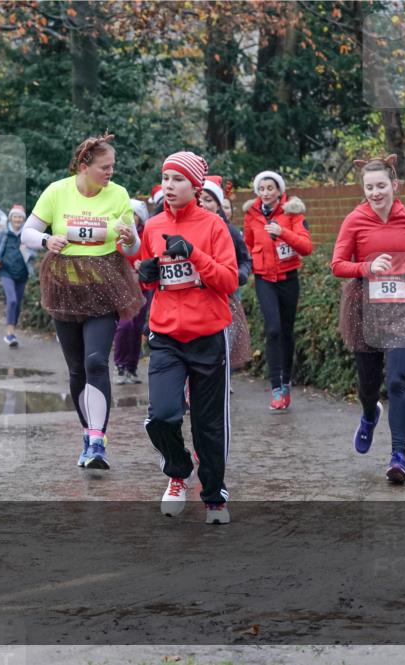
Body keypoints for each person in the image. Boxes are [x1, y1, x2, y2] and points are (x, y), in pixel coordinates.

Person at [20, 134, 145, 470]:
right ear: (84, 166)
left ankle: (97, 440)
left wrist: (131, 238)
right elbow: (27, 233)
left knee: (94, 362)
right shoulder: (57, 191)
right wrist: (48, 239)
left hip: (104, 288)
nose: (110, 173)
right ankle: (86, 428)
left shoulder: (118, 194)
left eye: (113, 167)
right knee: (76, 370)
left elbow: (132, 248)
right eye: (105, 167)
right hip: (64, 287)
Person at [136, 151, 237, 524]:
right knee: (161, 416)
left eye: (177, 179)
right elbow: (150, 278)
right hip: (165, 335)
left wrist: (195, 255)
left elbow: (228, 280)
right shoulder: (153, 226)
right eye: (165, 178)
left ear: (195, 186)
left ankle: (214, 497)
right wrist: (145, 274)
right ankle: (178, 472)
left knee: (208, 424)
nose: (169, 185)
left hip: (208, 335)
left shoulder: (213, 226)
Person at [331, 155, 405, 484]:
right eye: (369, 187)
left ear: (394, 185)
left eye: (380, 186)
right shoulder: (355, 220)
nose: (375, 192)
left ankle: (398, 456)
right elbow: (337, 264)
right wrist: (366, 267)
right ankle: (368, 413)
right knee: (369, 386)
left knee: (398, 381)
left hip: (403, 306)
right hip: (365, 308)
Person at [243, 170, 312, 410]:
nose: (265, 193)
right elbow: (248, 245)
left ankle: (286, 381)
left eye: (270, 188)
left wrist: (282, 232)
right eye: (261, 189)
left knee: (286, 331)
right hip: (264, 278)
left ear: (279, 191)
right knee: (272, 329)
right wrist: (250, 264)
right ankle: (275, 388)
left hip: (288, 278)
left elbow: (306, 246)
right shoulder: (251, 213)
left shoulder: (293, 211)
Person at [200, 176, 252, 370]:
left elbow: (246, 259)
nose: (203, 204)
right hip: (197, 299)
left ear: (218, 204)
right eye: (200, 199)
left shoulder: (229, 231)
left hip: (227, 295)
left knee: (224, 342)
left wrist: (240, 275)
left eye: (209, 200)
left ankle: (222, 375)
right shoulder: (184, 229)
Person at [111, 199, 153, 384]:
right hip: (123, 286)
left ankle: (132, 367)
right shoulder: (117, 235)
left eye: (134, 215)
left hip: (142, 287)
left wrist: (142, 269)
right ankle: (119, 366)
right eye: (128, 215)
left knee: (137, 328)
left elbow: (151, 257)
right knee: (125, 325)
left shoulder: (147, 234)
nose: (132, 219)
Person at [0, 204, 33, 347]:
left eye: (20, 218)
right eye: (15, 217)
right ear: (11, 218)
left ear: (23, 220)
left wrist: (25, 250)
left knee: (18, 303)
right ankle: (9, 334)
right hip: (6, 270)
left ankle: (13, 332)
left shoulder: (27, 234)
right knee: (12, 301)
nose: (17, 220)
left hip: (22, 272)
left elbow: (33, 253)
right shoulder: (4, 231)